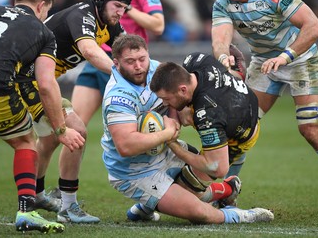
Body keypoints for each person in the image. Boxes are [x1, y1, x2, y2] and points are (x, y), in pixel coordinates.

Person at [210, 0, 318, 216]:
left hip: (300, 59)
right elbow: (220, 38)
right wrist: (222, 56)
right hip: (264, 63)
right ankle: (225, 197)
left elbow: (314, 26)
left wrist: (285, 56)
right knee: (240, 127)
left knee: (311, 130)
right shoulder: (223, 2)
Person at [101, 34, 274, 224]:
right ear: (116, 63)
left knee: (192, 189)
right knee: (201, 213)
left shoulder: (156, 70)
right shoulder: (118, 98)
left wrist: (179, 111)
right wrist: (168, 135)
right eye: (130, 62)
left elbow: (180, 88)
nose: (139, 66)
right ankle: (245, 215)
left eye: (142, 59)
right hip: (136, 171)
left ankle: (148, 205)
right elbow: (126, 146)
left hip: (163, 152)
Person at [0, 0, 85, 233]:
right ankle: (26, 211)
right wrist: (61, 130)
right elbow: (45, 84)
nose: (46, 16)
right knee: (25, 142)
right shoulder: (43, 32)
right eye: (47, 11)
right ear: (42, 6)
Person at [19, 0, 132, 224]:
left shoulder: (110, 24)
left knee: (48, 142)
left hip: (38, 82)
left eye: (125, 8)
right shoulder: (83, 14)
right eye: (117, 6)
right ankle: (68, 206)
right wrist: (127, 75)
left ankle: (35, 195)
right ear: (101, 1)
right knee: (77, 132)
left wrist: (149, 70)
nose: (121, 13)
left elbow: (130, 51)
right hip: (28, 81)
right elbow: (91, 52)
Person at [150, 52, 259, 205]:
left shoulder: (208, 115)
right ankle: (237, 73)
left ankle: (229, 189)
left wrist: (172, 144)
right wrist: (177, 114)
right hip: (237, 101)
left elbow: (217, 168)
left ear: (182, 90)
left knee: (185, 196)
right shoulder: (195, 60)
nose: (165, 103)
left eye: (166, 99)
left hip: (238, 137)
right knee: (181, 111)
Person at [72, 0, 164, 127]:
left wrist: (127, 7)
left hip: (125, 61)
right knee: (74, 126)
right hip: (99, 55)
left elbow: (158, 25)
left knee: (128, 127)